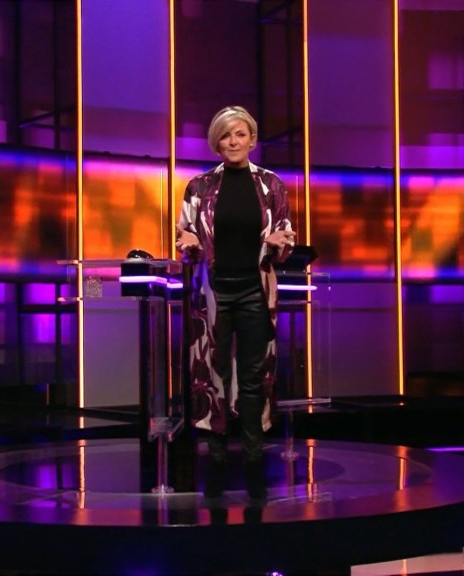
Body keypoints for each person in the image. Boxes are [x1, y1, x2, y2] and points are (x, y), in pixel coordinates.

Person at [175, 106, 296, 500]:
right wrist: (188, 244)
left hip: (254, 291)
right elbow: (185, 240)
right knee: (212, 374)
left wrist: (279, 244)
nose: (233, 142)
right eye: (226, 135)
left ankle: (253, 458)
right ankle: (215, 459)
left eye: (240, 134)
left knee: (252, 376)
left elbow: (285, 239)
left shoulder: (272, 185)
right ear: (216, 142)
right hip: (213, 292)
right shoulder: (199, 187)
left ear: (252, 139)